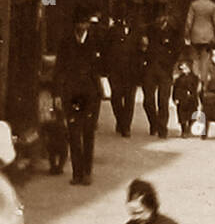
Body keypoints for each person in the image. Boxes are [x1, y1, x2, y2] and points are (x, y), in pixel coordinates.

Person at [55, 11, 103, 186]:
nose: (83, 27)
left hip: (90, 93)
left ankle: (87, 172)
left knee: (88, 132)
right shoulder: (66, 42)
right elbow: (59, 69)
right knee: (74, 131)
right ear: (75, 24)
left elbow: (101, 67)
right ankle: (77, 173)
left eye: (86, 24)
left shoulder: (95, 41)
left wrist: (100, 90)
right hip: (73, 93)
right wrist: (58, 94)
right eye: (80, 23)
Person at [103, 16, 145, 138]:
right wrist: (107, 68)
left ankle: (126, 126)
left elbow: (140, 52)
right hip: (115, 70)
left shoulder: (137, 32)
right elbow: (106, 50)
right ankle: (120, 120)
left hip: (131, 71)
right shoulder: (112, 31)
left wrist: (139, 69)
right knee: (116, 97)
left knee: (129, 98)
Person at [141, 11, 178, 138]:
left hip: (165, 69)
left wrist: (170, 63)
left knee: (163, 100)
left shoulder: (174, 31)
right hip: (150, 67)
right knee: (148, 100)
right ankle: (153, 123)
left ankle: (162, 128)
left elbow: (177, 49)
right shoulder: (149, 29)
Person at [183, 0, 215, 85]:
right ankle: (203, 82)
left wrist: (187, 35)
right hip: (208, 36)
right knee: (205, 60)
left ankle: (195, 81)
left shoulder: (194, 5)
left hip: (195, 35)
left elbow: (189, 21)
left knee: (195, 59)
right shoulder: (212, 5)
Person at [36, 56, 67, 175]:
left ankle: (56, 165)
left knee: (55, 141)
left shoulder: (50, 80)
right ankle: (56, 165)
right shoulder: (57, 78)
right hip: (52, 111)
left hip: (53, 110)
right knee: (57, 141)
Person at [172, 60, 200, 137]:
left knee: (192, 115)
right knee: (182, 116)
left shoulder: (195, 78)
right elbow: (175, 89)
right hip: (182, 99)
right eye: (182, 69)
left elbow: (196, 89)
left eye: (185, 68)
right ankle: (184, 130)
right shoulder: (178, 79)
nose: (184, 70)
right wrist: (175, 98)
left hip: (191, 99)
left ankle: (189, 128)